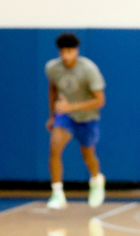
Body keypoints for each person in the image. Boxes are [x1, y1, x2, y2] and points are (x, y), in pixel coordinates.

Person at [45, 33, 106, 210]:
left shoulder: (89, 70)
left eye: (69, 51)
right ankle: (57, 193)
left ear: (76, 51)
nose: (66, 56)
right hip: (65, 116)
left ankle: (96, 180)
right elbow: (53, 88)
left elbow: (100, 101)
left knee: (88, 155)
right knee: (54, 147)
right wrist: (52, 115)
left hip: (87, 116)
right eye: (62, 52)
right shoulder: (52, 68)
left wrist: (72, 107)